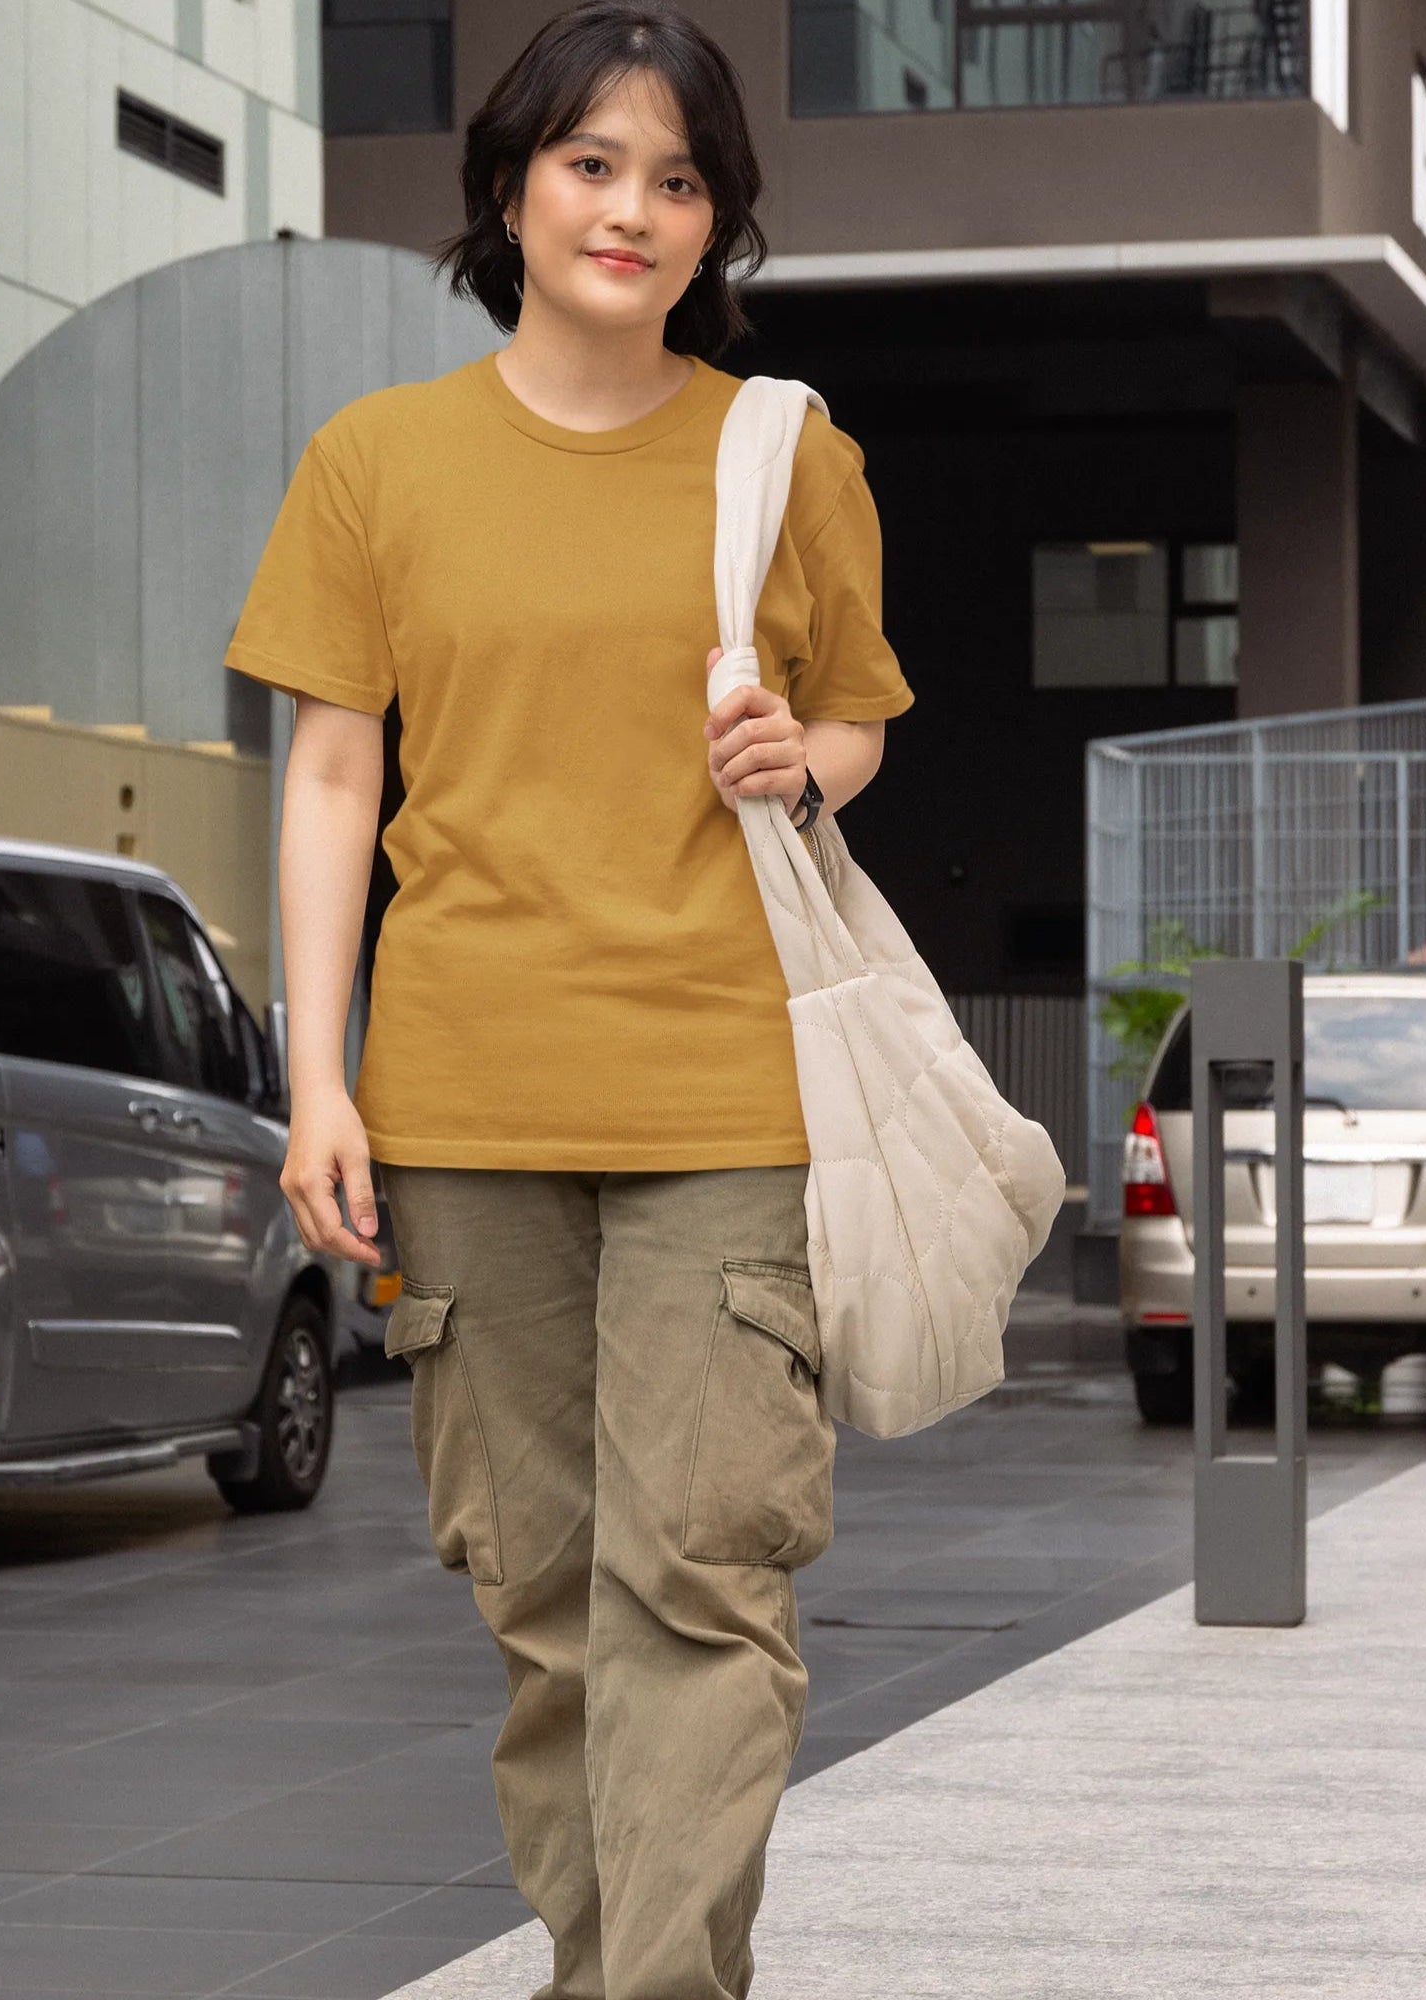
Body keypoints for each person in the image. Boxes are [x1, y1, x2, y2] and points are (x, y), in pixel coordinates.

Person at [223, 7, 914, 1994]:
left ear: (719, 223)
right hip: (460, 1097)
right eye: (594, 164)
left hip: (723, 1089)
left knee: (697, 1582)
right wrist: (318, 1078)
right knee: (540, 1606)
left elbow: (856, 728)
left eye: (680, 177)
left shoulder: (786, 456)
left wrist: (800, 756)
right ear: (511, 188)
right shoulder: (379, 463)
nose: (634, 208)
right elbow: (336, 773)